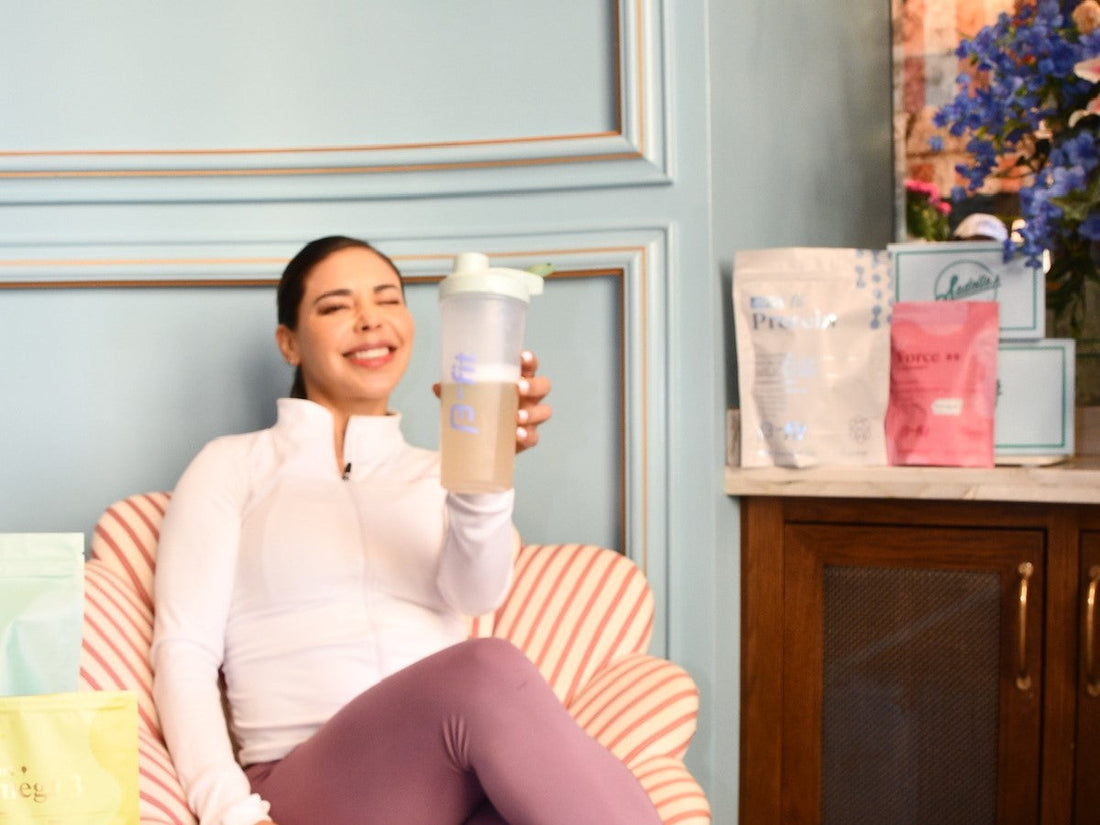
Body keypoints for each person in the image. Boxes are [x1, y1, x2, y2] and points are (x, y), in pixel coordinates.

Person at [150, 236, 663, 825]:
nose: (369, 320)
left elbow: (477, 594)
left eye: (388, 300)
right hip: (306, 782)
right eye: (336, 306)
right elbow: (184, 649)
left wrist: (483, 468)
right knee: (489, 669)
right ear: (289, 342)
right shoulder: (233, 465)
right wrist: (229, 812)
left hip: (450, 781)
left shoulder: (438, 473)